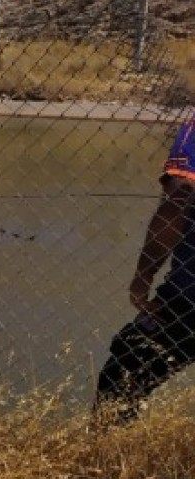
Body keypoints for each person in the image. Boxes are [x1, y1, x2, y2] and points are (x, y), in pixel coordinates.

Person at [96, 120, 195, 423]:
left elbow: (176, 204)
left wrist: (143, 277)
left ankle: (108, 447)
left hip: (187, 298)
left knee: (124, 373)